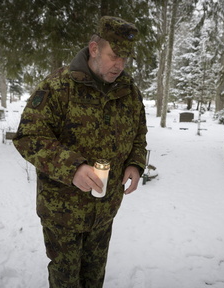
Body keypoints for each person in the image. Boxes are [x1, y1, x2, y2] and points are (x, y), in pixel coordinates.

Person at [13, 16, 148, 288]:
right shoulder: (58, 86)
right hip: (63, 211)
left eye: (125, 58)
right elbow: (29, 136)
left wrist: (135, 164)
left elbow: (138, 135)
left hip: (105, 208)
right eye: (114, 56)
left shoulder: (128, 91)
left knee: (94, 277)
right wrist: (72, 168)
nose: (119, 65)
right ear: (94, 48)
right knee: (66, 280)